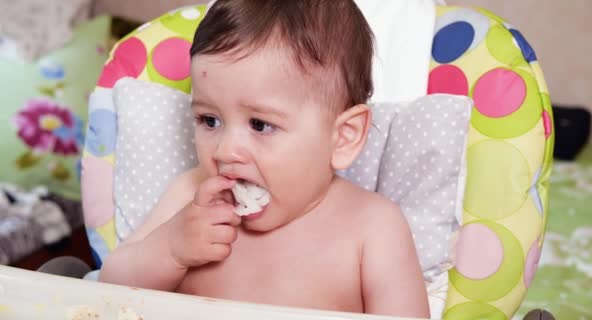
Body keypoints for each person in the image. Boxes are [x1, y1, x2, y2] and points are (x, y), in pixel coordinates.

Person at [99, 0, 429, 317]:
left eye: (260, 125)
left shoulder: (373, 227)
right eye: (209, 120)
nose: (225, 151)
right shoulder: (188, 197)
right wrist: (170, 249)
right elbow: (108, 288)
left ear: (342, 137)